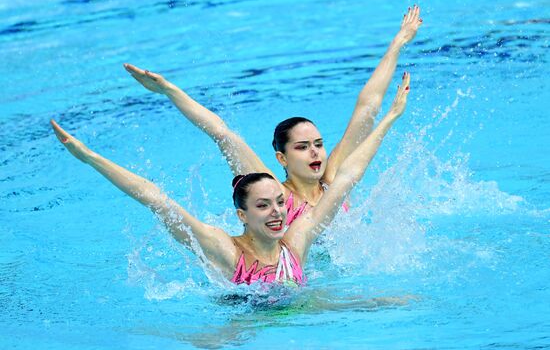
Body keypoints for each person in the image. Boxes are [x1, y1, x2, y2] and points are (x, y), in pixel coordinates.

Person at [50, 73, 411, 286]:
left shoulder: (297, 241)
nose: (278, 213)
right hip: (243, 329)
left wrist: (392, 117)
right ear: (242, 214)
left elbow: (349, 175)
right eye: (264, 205)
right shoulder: (224, 250)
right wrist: (90, 157)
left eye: (280, 205)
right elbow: (155, 199)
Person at [123, 6, 422, 225]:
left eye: (318, 143)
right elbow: (221, 133)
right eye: (302, 147)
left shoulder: (332, 180)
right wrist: (168, 90)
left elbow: (366, 108)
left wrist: (398, 43)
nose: (315, 152)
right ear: (282, 158)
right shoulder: (276, 197)